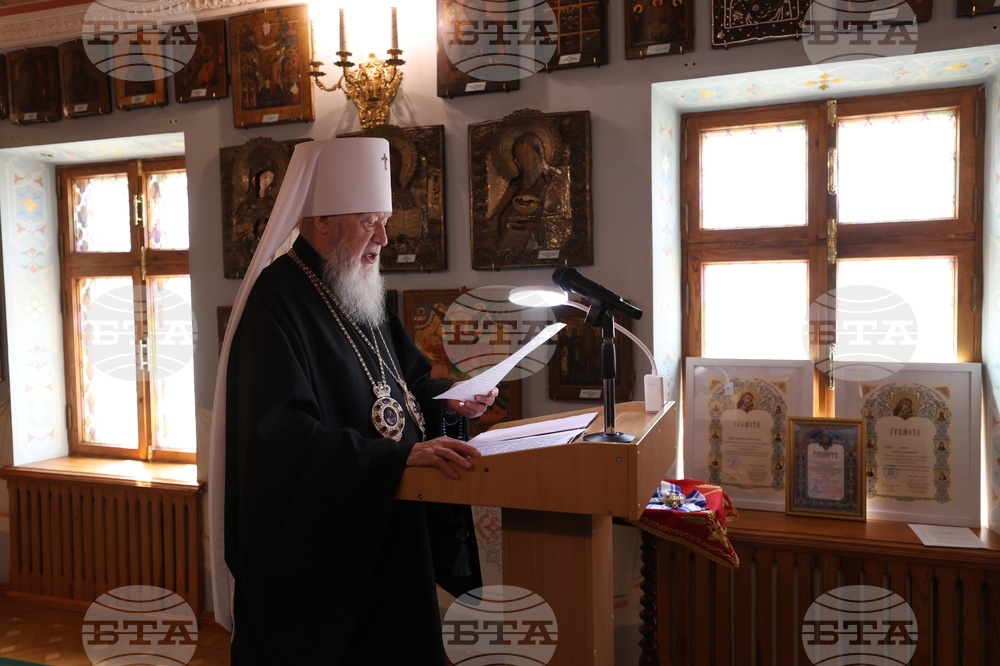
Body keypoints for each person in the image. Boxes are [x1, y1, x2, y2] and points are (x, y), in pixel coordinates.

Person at [208, 138, 497, 664]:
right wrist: (391, 458)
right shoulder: (274, 303)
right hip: (329, 557)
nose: (384, 237)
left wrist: (452, 400)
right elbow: (279, 438)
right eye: (370, 221)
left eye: (384, 220)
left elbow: (404, 382)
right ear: (322, 221)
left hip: (388, 522)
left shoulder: (358, 286)